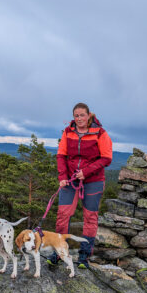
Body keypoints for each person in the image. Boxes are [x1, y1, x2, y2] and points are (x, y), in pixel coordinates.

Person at [47, 103, 113, 269]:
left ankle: (84, 257)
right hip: (70, 180)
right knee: (63, 215)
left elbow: (106, 158)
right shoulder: (68, 132)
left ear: (89, 115)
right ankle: (59, 253)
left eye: (82, 115)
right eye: (76, 116)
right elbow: (61, 155)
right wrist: (62, 176)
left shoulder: (100, 133)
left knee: (90, 218)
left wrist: (87, 172)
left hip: (93, 181)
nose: (79, 119)